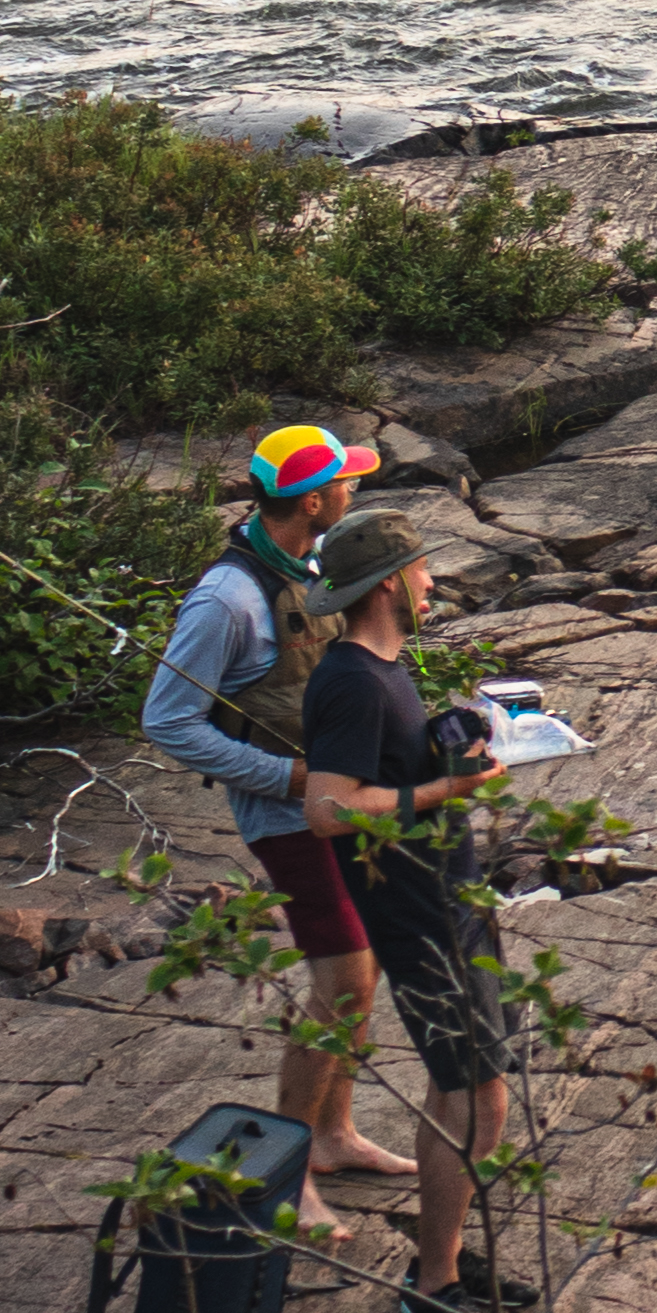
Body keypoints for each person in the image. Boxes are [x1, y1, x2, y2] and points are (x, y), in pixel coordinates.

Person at [139, 423, 421, 1243]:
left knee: (360, 971)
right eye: (345, 482)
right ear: (310, 499)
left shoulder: (306, 564)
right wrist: (292, 780)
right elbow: (167, 721)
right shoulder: (225, 599)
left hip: (342, 803)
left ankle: (334, 1137)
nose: (355, 490)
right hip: (289, 812)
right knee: (341, 978)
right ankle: (290, 1174)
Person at [294, 507, 519, 1313]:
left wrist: (443, 755)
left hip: (447, 899)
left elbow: (375, 772)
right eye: (422, 569)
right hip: (417, 913)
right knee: (475, 1095)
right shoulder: (351, 679)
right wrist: (439, 797)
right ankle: (431, 1292)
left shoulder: (382, 667)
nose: (432, 581)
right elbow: (327, 808)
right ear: (388, 582)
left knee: (476, 1087)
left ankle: (450, 1260)